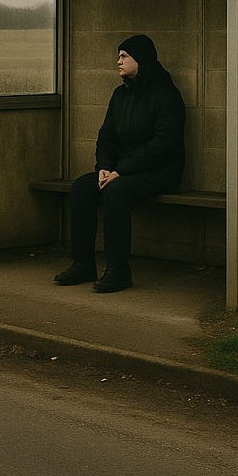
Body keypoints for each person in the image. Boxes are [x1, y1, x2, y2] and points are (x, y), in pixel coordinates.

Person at [54, 34, 186, 293]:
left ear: (142, 60)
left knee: (115, 192)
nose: (118, 61)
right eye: (119, 56)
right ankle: (83, 263)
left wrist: (120, 171)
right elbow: (107, 136)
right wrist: (103, 167)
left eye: (124, 56)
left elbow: (163, 145)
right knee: (82, 187)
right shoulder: (120, 94)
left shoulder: (167, 95)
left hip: (160, 171)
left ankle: (118, 270)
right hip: (121, 170)